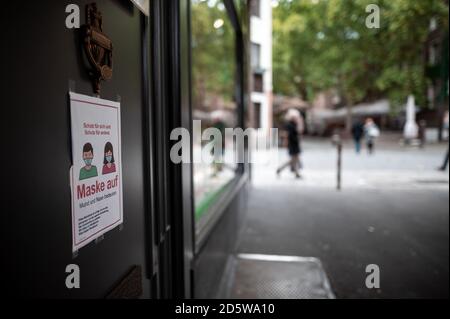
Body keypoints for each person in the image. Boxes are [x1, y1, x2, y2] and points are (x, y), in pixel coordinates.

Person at [276, 109, 303, 179]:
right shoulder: (289, 125)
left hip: (295, 143)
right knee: (293, 159)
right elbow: (288, 135)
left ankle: (296, 172)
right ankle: (280, 169)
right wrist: (286, 142)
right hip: (292, 144)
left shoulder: (294, 124)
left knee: (295, 159)